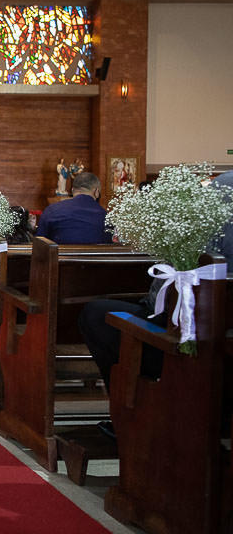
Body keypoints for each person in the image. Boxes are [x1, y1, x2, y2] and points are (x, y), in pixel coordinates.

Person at [79, 169, 233, 437]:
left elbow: (188, 263)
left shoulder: (222, 188)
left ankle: (131, 416)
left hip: (193, 336)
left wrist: (153, 299)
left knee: (97, 315)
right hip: (224, 340)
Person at [35, 171, 113, 244]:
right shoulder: (106, 217)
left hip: (61, 254)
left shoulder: (51, 210)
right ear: (96, 192)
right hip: (96, 254)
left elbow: (40, 242)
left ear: (72, 190)